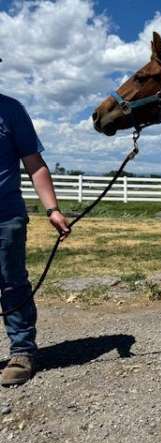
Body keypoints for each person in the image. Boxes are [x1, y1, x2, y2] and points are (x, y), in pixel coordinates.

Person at [0, 57, 71, 385]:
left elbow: (35, 164)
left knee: (12, 283)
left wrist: (52, 209)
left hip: (7, 216)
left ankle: (23, 351)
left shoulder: (11, 111)